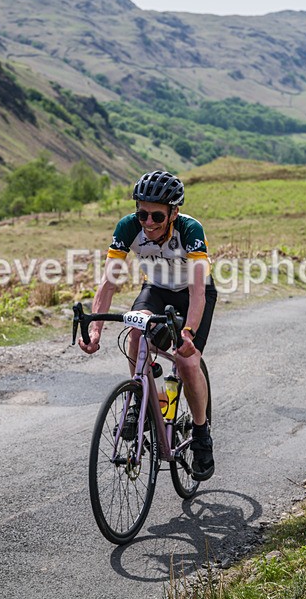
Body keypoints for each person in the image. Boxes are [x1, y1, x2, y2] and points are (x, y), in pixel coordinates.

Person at [78, 170, 217, 481]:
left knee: (186, 360)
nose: (149, 222)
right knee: (136, 333)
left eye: (157, 215)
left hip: (192, 295)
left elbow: (197, 292)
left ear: (173, 213)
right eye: (142, 214)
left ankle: (200, 433)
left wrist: (187, 333)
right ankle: (140, 399)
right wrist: (96, 329)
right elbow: (109, 282)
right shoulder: (128, 228)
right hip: (155, 289)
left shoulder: (190, 229)